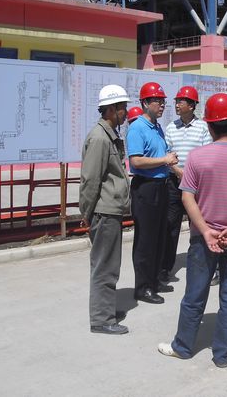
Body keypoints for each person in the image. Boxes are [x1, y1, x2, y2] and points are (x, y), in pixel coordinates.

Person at [157, 93, 227, 368]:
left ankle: (183, 347)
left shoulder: (197, 158)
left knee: (194, 295)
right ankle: (223, 355)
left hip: (203, 240)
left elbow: (187, 197)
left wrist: (205, 230)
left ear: (210, 125)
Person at [79, 84, 131, 335]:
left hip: (110, 210)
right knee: (105, 266)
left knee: (110, 264)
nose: (126, 113)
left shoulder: (108, 135)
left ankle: (106, 308)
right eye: (122, 108)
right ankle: (101, 319)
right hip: (104, 212)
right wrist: (86, 213)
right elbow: (90, 180)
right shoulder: (100, 138)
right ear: (111, 109)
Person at [127, 82, 178, 304]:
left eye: (163, 101)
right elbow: (136, 161)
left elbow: (159, 155)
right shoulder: (137, 128)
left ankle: (154, 280)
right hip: (146, 188)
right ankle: (143, 287)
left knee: (159, 236)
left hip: (161, 185)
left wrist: (169, 159)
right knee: (146, 239)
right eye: (158, 101)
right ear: (145, 103)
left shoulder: (157, 127)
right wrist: (164, 159)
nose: (162, 105)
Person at [161, 86, 212, 284]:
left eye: (180, 101)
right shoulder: (171, 127)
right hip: (174, 183)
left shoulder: (203, 127)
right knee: (170, 226)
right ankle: (165, 268)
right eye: (176, 101)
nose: (176, 105)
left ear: (191, 105)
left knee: (197, 225)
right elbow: (167, 153)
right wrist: (177, 171)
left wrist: (189, 174)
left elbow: (206, 155)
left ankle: (199, 264)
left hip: (196, 185)